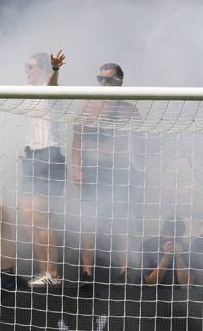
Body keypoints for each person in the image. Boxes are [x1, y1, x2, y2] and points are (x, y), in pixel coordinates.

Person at [72, 62, 138, 282]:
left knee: (121, 220)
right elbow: (76, 141)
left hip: (119, 169)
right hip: (92, 168)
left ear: (119, 82)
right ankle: (86, 271)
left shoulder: (129, 110)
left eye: (108, 79)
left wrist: (140, 169)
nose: (103, 83)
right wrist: (77, 169)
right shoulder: (87, 107)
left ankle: (124, 268)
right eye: (100, 79)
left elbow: (140, 144)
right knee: (89, 220)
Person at [19, 50, 65, 287]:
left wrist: (55, 70)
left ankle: (52, 273)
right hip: (30, 156)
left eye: (31, 67)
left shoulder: (48, 89)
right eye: (25, 66)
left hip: (48, 156)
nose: (26, 71)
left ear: (43, 70)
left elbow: (52, 85)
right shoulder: (27, 92)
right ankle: (43, 272)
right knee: (28, 221)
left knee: (42, 219)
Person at [142, 217, 191, 286]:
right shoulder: (149, 246)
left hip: (177, 292)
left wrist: (179, 257)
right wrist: (166, 257)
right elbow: (150, 281)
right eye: (172, 236)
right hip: (151, 292)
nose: (175, 240)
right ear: (163, 233)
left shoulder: (185, 247)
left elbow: (186, 283)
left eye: (178, 238)